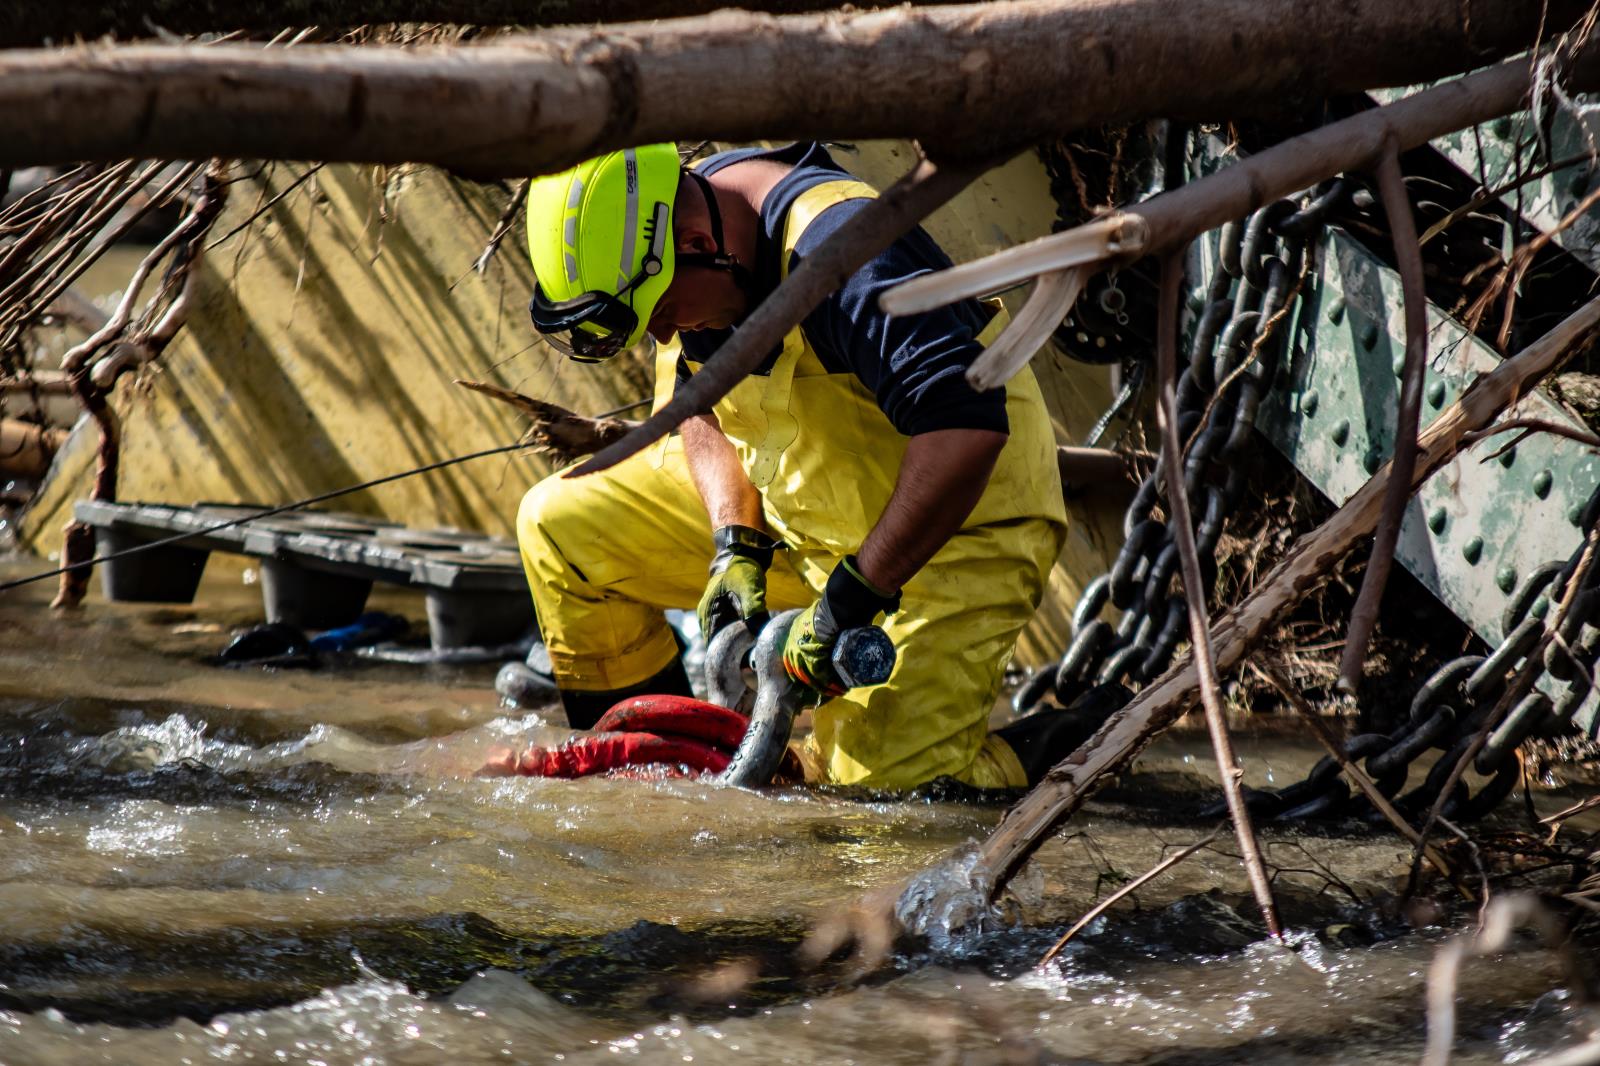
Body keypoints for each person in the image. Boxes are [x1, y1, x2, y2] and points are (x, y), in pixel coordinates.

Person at [514, 141, 1094, 789]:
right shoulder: (698, 231)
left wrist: (852, 599)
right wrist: (735, 544)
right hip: (806, 519)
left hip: (948, 538)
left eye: (663, 313)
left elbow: (964, 431)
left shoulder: (848, 256)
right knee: (560, 528)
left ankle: (1068, 744)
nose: (664, 336)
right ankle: (650, 766)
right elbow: (702, 402)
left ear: (701, 243)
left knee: (879, 799)